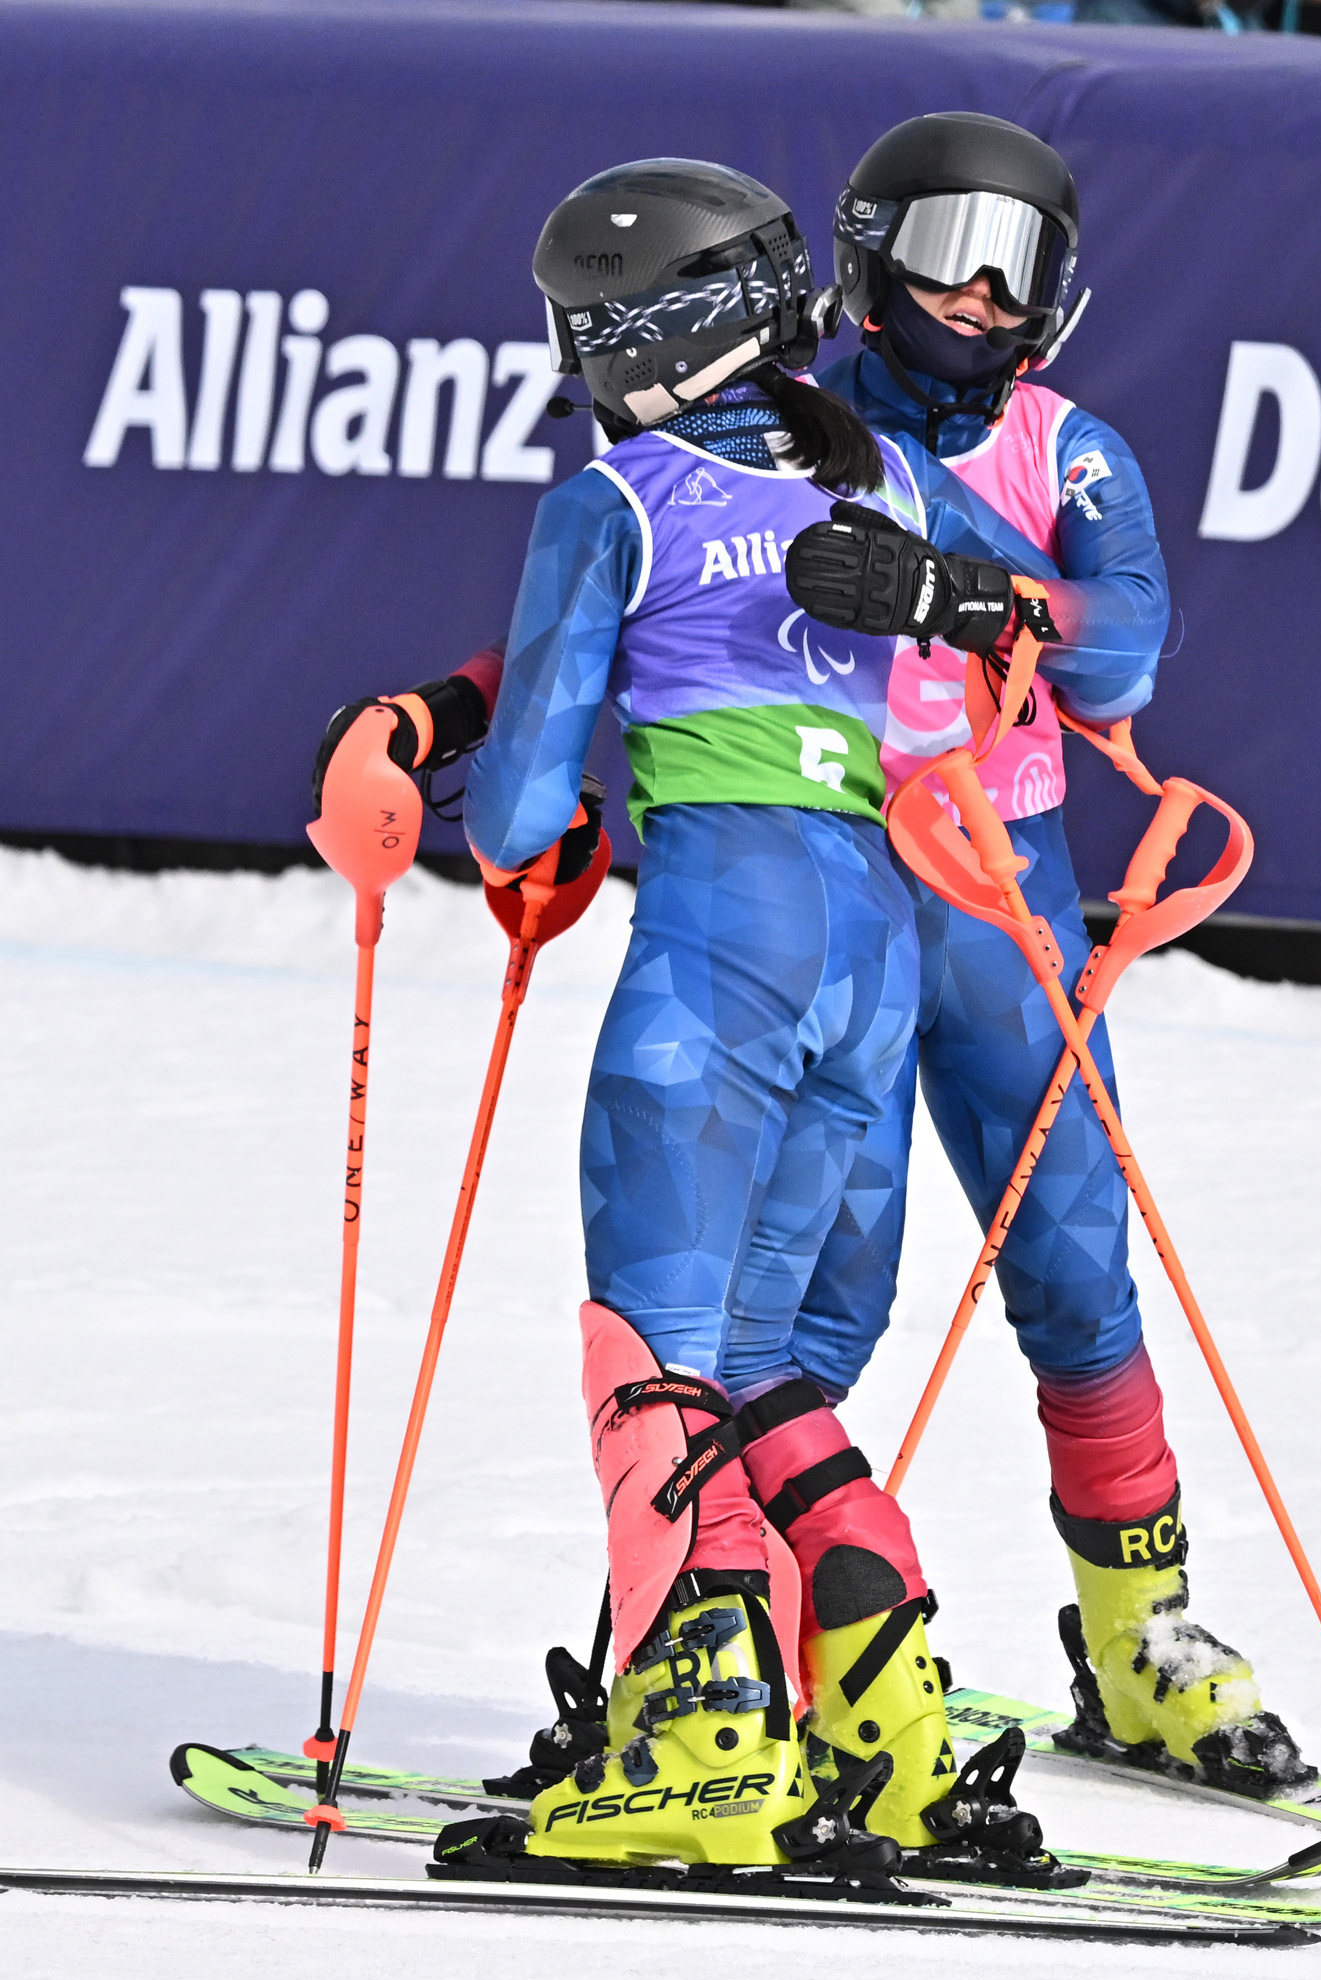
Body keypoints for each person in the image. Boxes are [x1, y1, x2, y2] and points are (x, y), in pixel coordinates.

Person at [313, 156, 1073, 1872]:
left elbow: (518, 816)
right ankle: (882, 1732)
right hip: (875, 948)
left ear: (649, 330)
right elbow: (1022, 638)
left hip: (719, 945)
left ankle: (704, 1736)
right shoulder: (875, 461)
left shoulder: (617, 496)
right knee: (766, 1371)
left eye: (585, 323)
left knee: (650, 1353)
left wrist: (435, 771)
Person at [803, 112, 1312, 1795]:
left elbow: (1125, 652)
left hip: (1010, 902)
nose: (976, 289)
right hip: (835, 886)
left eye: (1014, 261)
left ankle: (1140, 1648)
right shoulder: (783, 430)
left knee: (1081, 1268)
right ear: (869, 254)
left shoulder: (1068, 449)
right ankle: (761, 1626)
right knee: (822, 1285)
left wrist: (960, 590)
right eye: (945, 244)